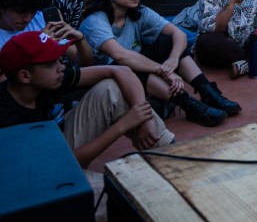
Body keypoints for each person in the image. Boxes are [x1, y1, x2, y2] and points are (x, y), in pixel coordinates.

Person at [79, 0, 238, 126]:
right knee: (128, 66)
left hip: (134, 69)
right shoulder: (96, 21)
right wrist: (164, 71)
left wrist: (173, 61)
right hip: (104, 80)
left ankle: (208, 92)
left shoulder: (138, 11)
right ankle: (189, 105)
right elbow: (120, 56)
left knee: (168, 42)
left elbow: (179, 35)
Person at [0, 31, 174, 170]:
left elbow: (122, 71)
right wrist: (122, 126)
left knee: (111, 88)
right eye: (50, 63)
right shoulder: (7, 116)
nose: (61, 67)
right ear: (25, 76)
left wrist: (145, 121)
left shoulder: (49, 79)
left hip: (57, 147)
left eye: (59, 60)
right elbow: (55, 165)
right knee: (124, 195)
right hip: (39, 182)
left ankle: (172, 154)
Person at [0, 0, 93, 68]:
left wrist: (80, 40)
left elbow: (84, 62)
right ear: (2, 7)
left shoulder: (44, 19)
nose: (27, 19)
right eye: (20, 12)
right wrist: (39, 46)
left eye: (32, 11)